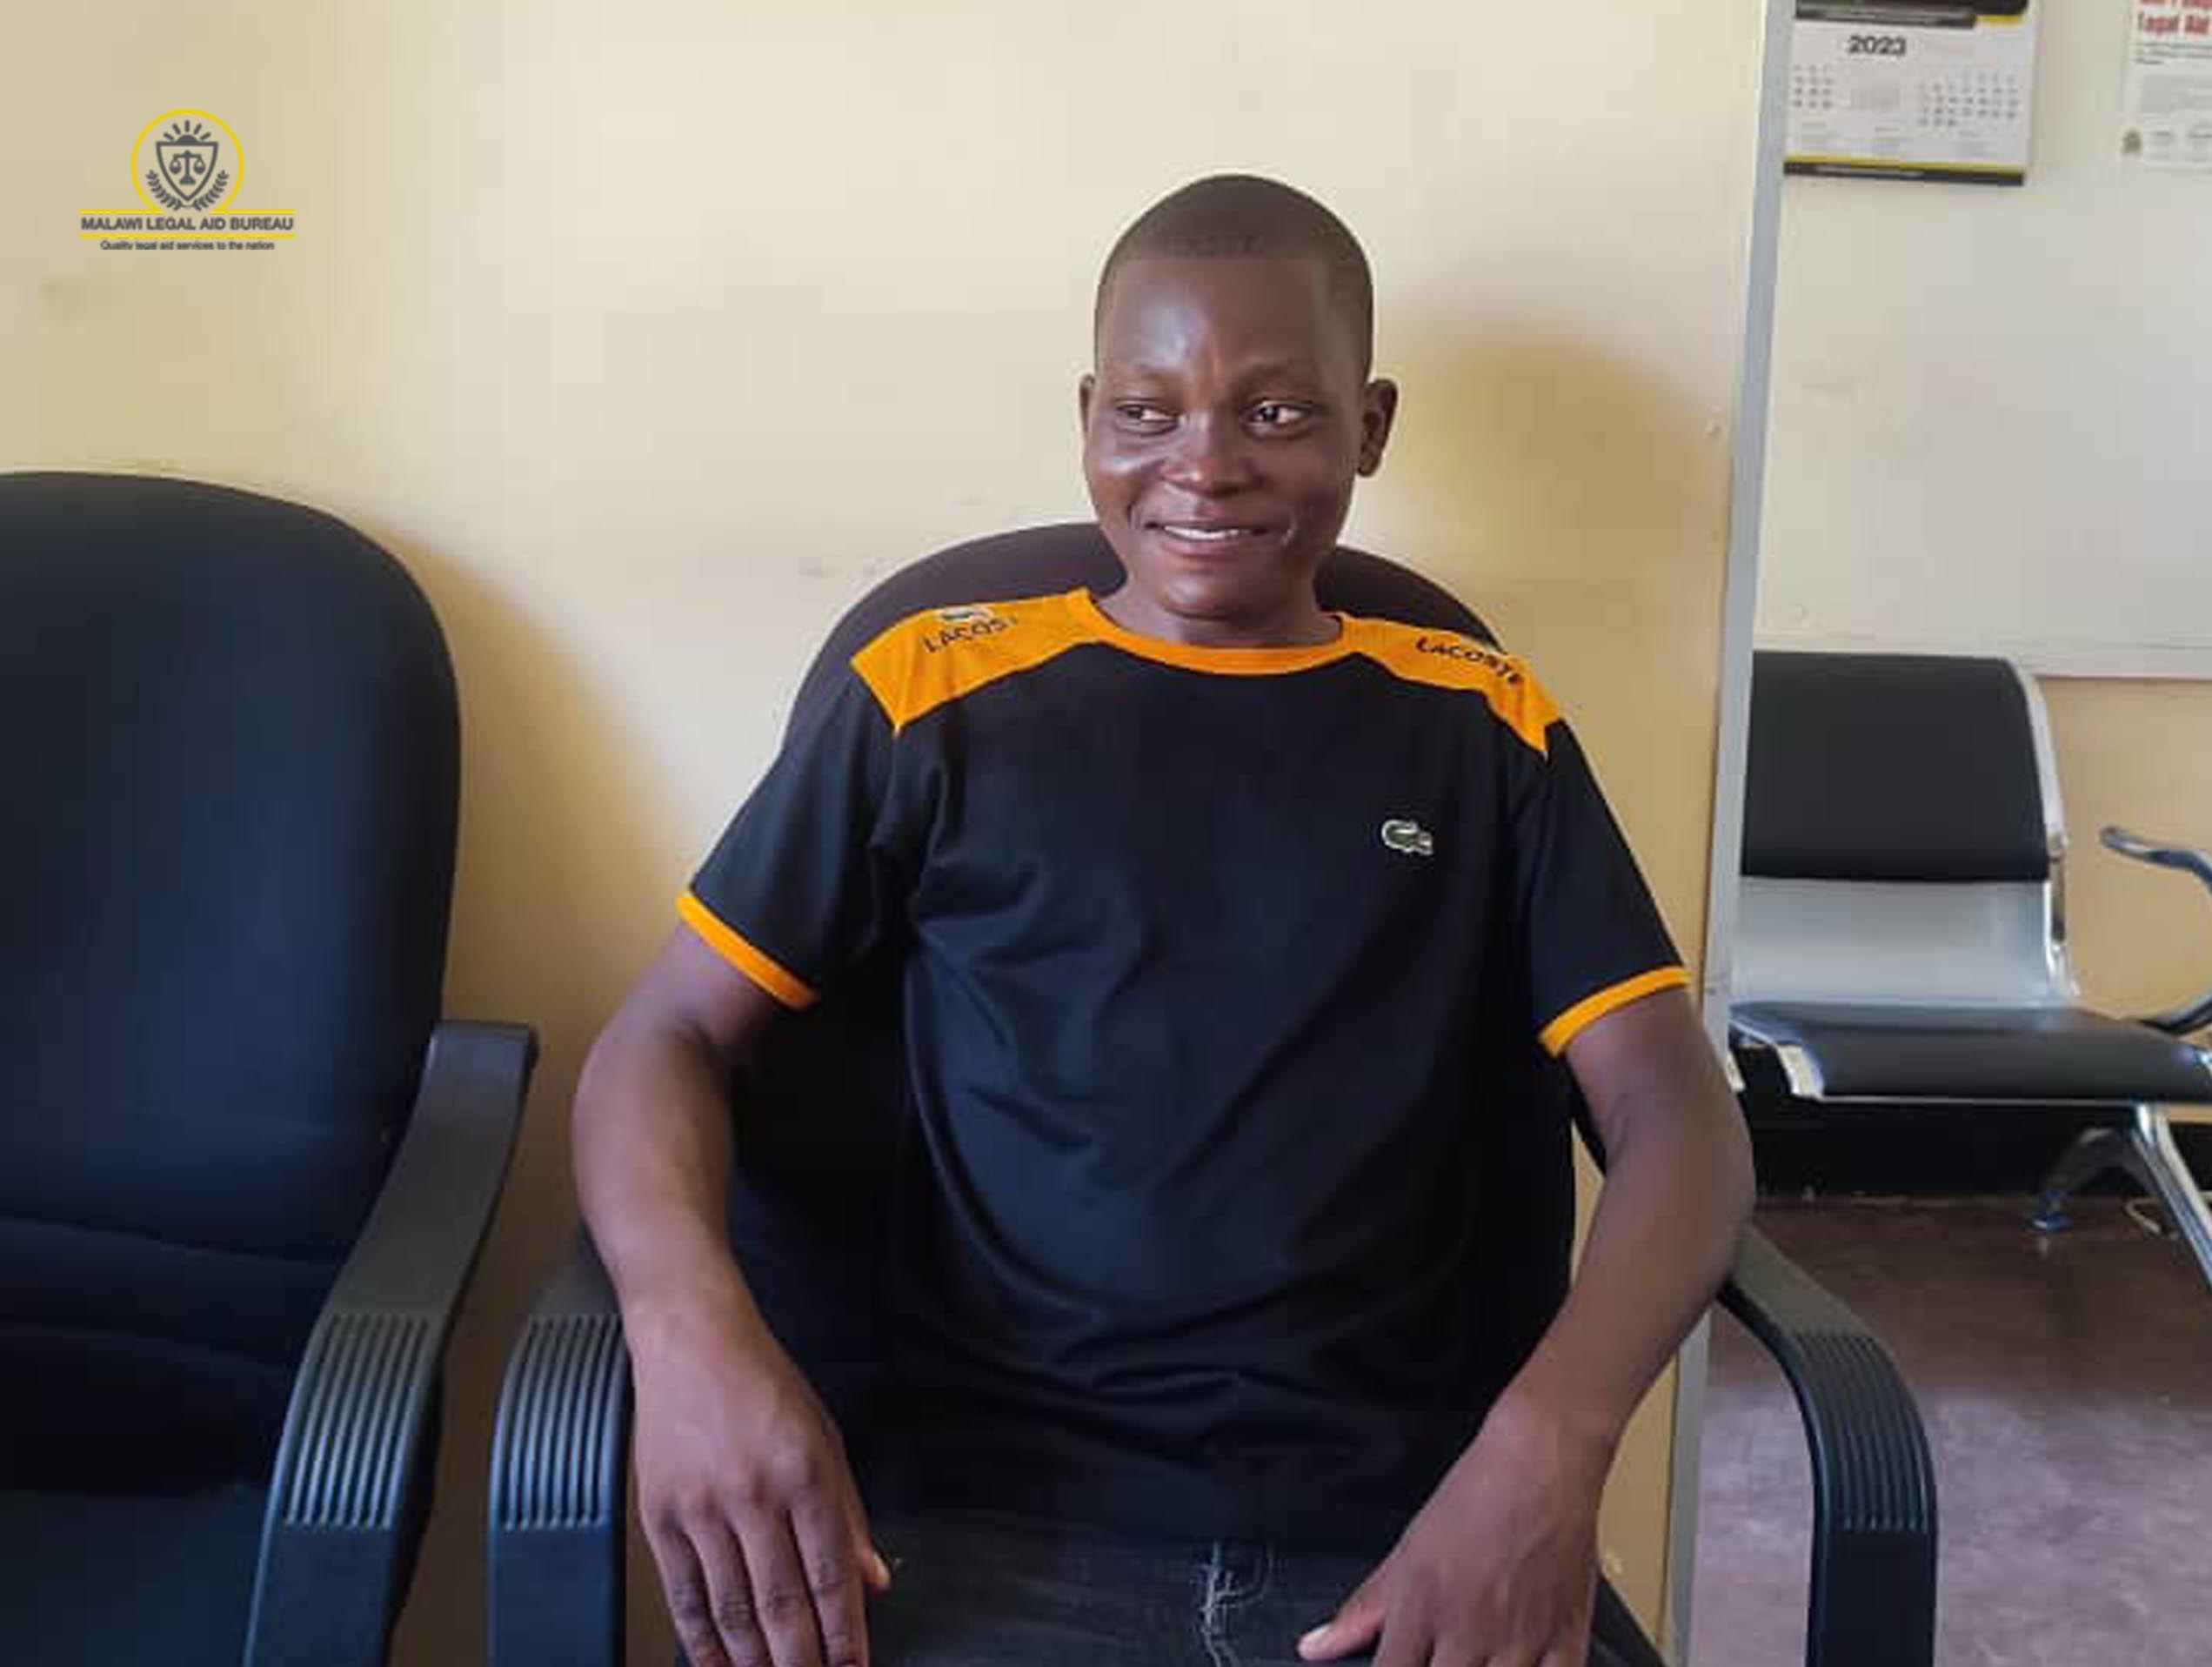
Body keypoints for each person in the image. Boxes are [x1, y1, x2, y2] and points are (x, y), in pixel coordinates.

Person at [574, 175, 1754, 1667]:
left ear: (1370, 426)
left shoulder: (1481, 723)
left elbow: (1678, 1118)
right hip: (985, 1523)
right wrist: (688, 1337)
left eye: (1277, 413)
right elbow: (664, 1039)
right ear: (1089, 418)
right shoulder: (931, 695)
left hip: (1398, 1531)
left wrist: (1549, 1451)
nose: (1204, 466)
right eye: (1146, 412)